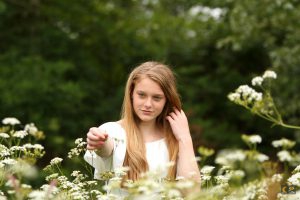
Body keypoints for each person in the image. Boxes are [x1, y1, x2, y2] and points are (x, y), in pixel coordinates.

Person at [84, 61, 200, 184]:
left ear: (167, 100)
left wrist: (184, 138)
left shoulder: (174, 137)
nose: (148, 104)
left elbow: (191, 192)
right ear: (131, 94)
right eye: (142, 95)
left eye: (157, 98)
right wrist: (100, 142)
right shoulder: (113, 130)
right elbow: (106, 148)